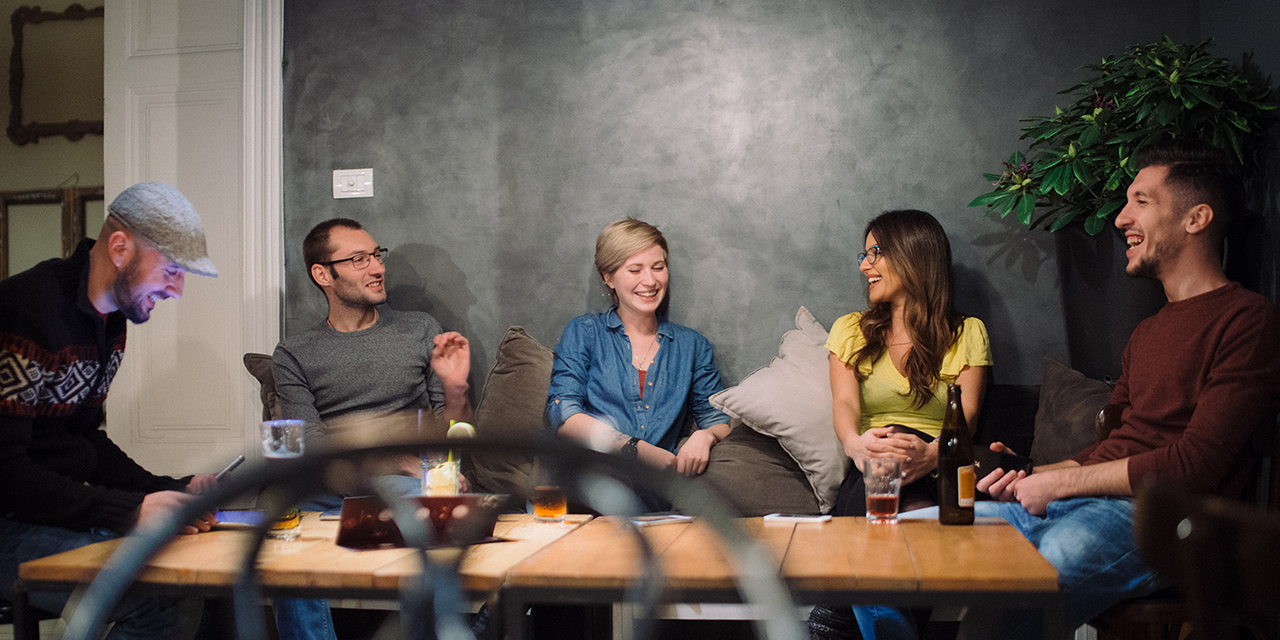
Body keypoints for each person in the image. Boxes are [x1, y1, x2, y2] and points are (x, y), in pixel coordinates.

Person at [963, 139, 1280, 638]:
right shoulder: (1147, 333)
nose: (1119, 218)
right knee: (923, 536)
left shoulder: (1249, 321)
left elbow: (1196, 465)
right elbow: (1113, 448)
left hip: (1166, 521)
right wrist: (1029, 474)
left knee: (1029, 583)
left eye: (1141, 201)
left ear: (1196, 218)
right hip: (1086, 504)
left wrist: (1058, 484)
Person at [0, 181, 221, 639]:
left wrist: (168, 489)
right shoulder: (25, 313)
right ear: (120, 248)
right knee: (159, 599)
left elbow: (84, 441)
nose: (177, 290)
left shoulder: (112, 321)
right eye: (171, 270)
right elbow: (5, 470)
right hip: (8, 522)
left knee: (201, 576)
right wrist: (129, 509)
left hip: (43, 513)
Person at [270, 218, 472, 640]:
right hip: (329, 487)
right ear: (323, 274)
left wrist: (456, 390)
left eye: (376, 255)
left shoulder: (420, 329)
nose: (378, 268)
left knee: (430, 516)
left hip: (403, 489)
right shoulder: (293, 353)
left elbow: (450, 438)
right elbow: (309, 445)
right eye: (359, 259)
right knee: (281, 540)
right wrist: (398, 459)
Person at [816, 209, 991, 639]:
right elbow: (844, 404)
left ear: (913, 255)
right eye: (864, 254)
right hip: (870, 467)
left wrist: (931, 455)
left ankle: (838, 614)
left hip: (938, 468)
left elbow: (966, 417)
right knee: (889, 467)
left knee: (903, 501)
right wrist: (856, 446)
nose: (864, 266)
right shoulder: (850, 330)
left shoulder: (967, 332)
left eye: (875, 253)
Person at [546, 218, 731, 485]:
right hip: (589, 490)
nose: (650, 280)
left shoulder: (692, 345)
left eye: (658, 267)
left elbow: (717, 420)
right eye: (635, 270)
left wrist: (705, 436)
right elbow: (564, 414)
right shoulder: (585, 332)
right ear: (608, 277)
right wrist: (636, 449)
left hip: (656, 497)